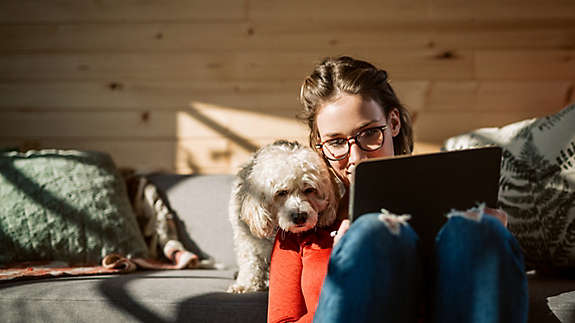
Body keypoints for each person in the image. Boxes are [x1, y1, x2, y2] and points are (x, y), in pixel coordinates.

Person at [267, 56, 528, 323]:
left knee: (479, 229)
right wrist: (348, 268)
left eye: (369, 133)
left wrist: (495, 236)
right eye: (336, 142)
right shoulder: (299, 225)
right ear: (319, 145)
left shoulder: (455, 219)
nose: (356, 157)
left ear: (393, 123)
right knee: (372, 232)